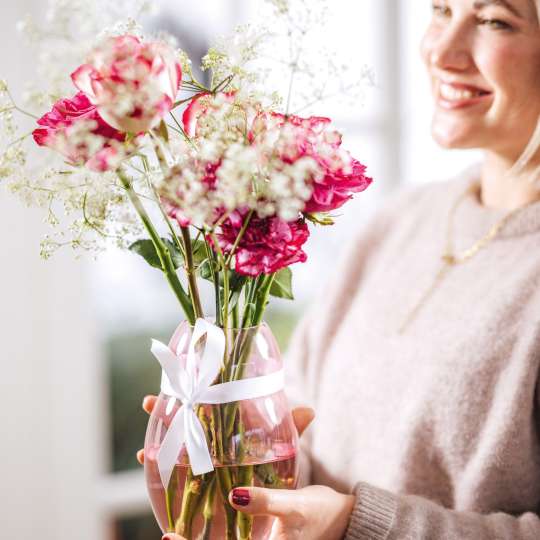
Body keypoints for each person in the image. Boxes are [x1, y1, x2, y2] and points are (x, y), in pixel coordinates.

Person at [139, 0, 540, 537]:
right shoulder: (400, 220)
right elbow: (305, 421)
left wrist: (357, 526)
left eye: (495, 20)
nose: (442, 50)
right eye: (442, 9)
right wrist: (242, 455)